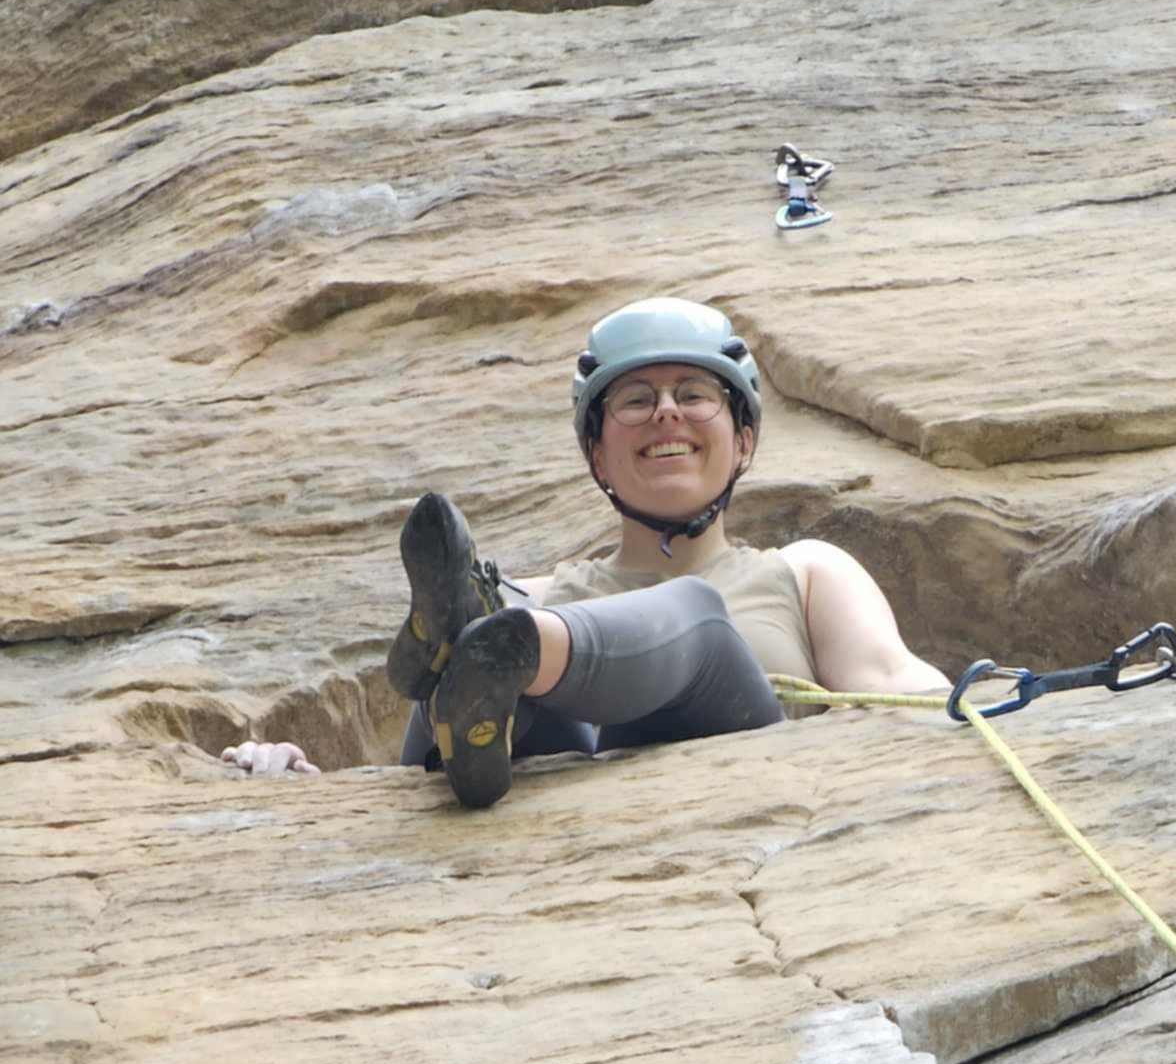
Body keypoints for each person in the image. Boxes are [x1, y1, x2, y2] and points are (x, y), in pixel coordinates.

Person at [223, 298, 948, 806]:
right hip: (548, 808)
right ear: (598, 454)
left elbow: (899, 689)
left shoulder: (806, 572)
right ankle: (488, 666)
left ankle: (516, 656)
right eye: (635, 400)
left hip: (744, 790)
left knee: (696, 618)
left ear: (744, 440)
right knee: (491, 627)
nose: (666, 410)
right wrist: (295, 785)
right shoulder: (523, 592)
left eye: (695, 393)